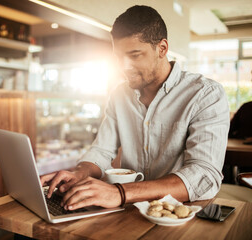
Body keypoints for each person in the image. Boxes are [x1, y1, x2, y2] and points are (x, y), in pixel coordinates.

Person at [41, 5, 230, 211]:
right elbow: (101, 151)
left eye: (134, 55)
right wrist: (80, 172)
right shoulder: (119, 94)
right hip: (129, 209)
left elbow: (204, 175)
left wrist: (120, 193)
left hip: (179, 214)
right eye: (118, 57)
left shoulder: (206, 94)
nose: (124, 66)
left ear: (162, 48)